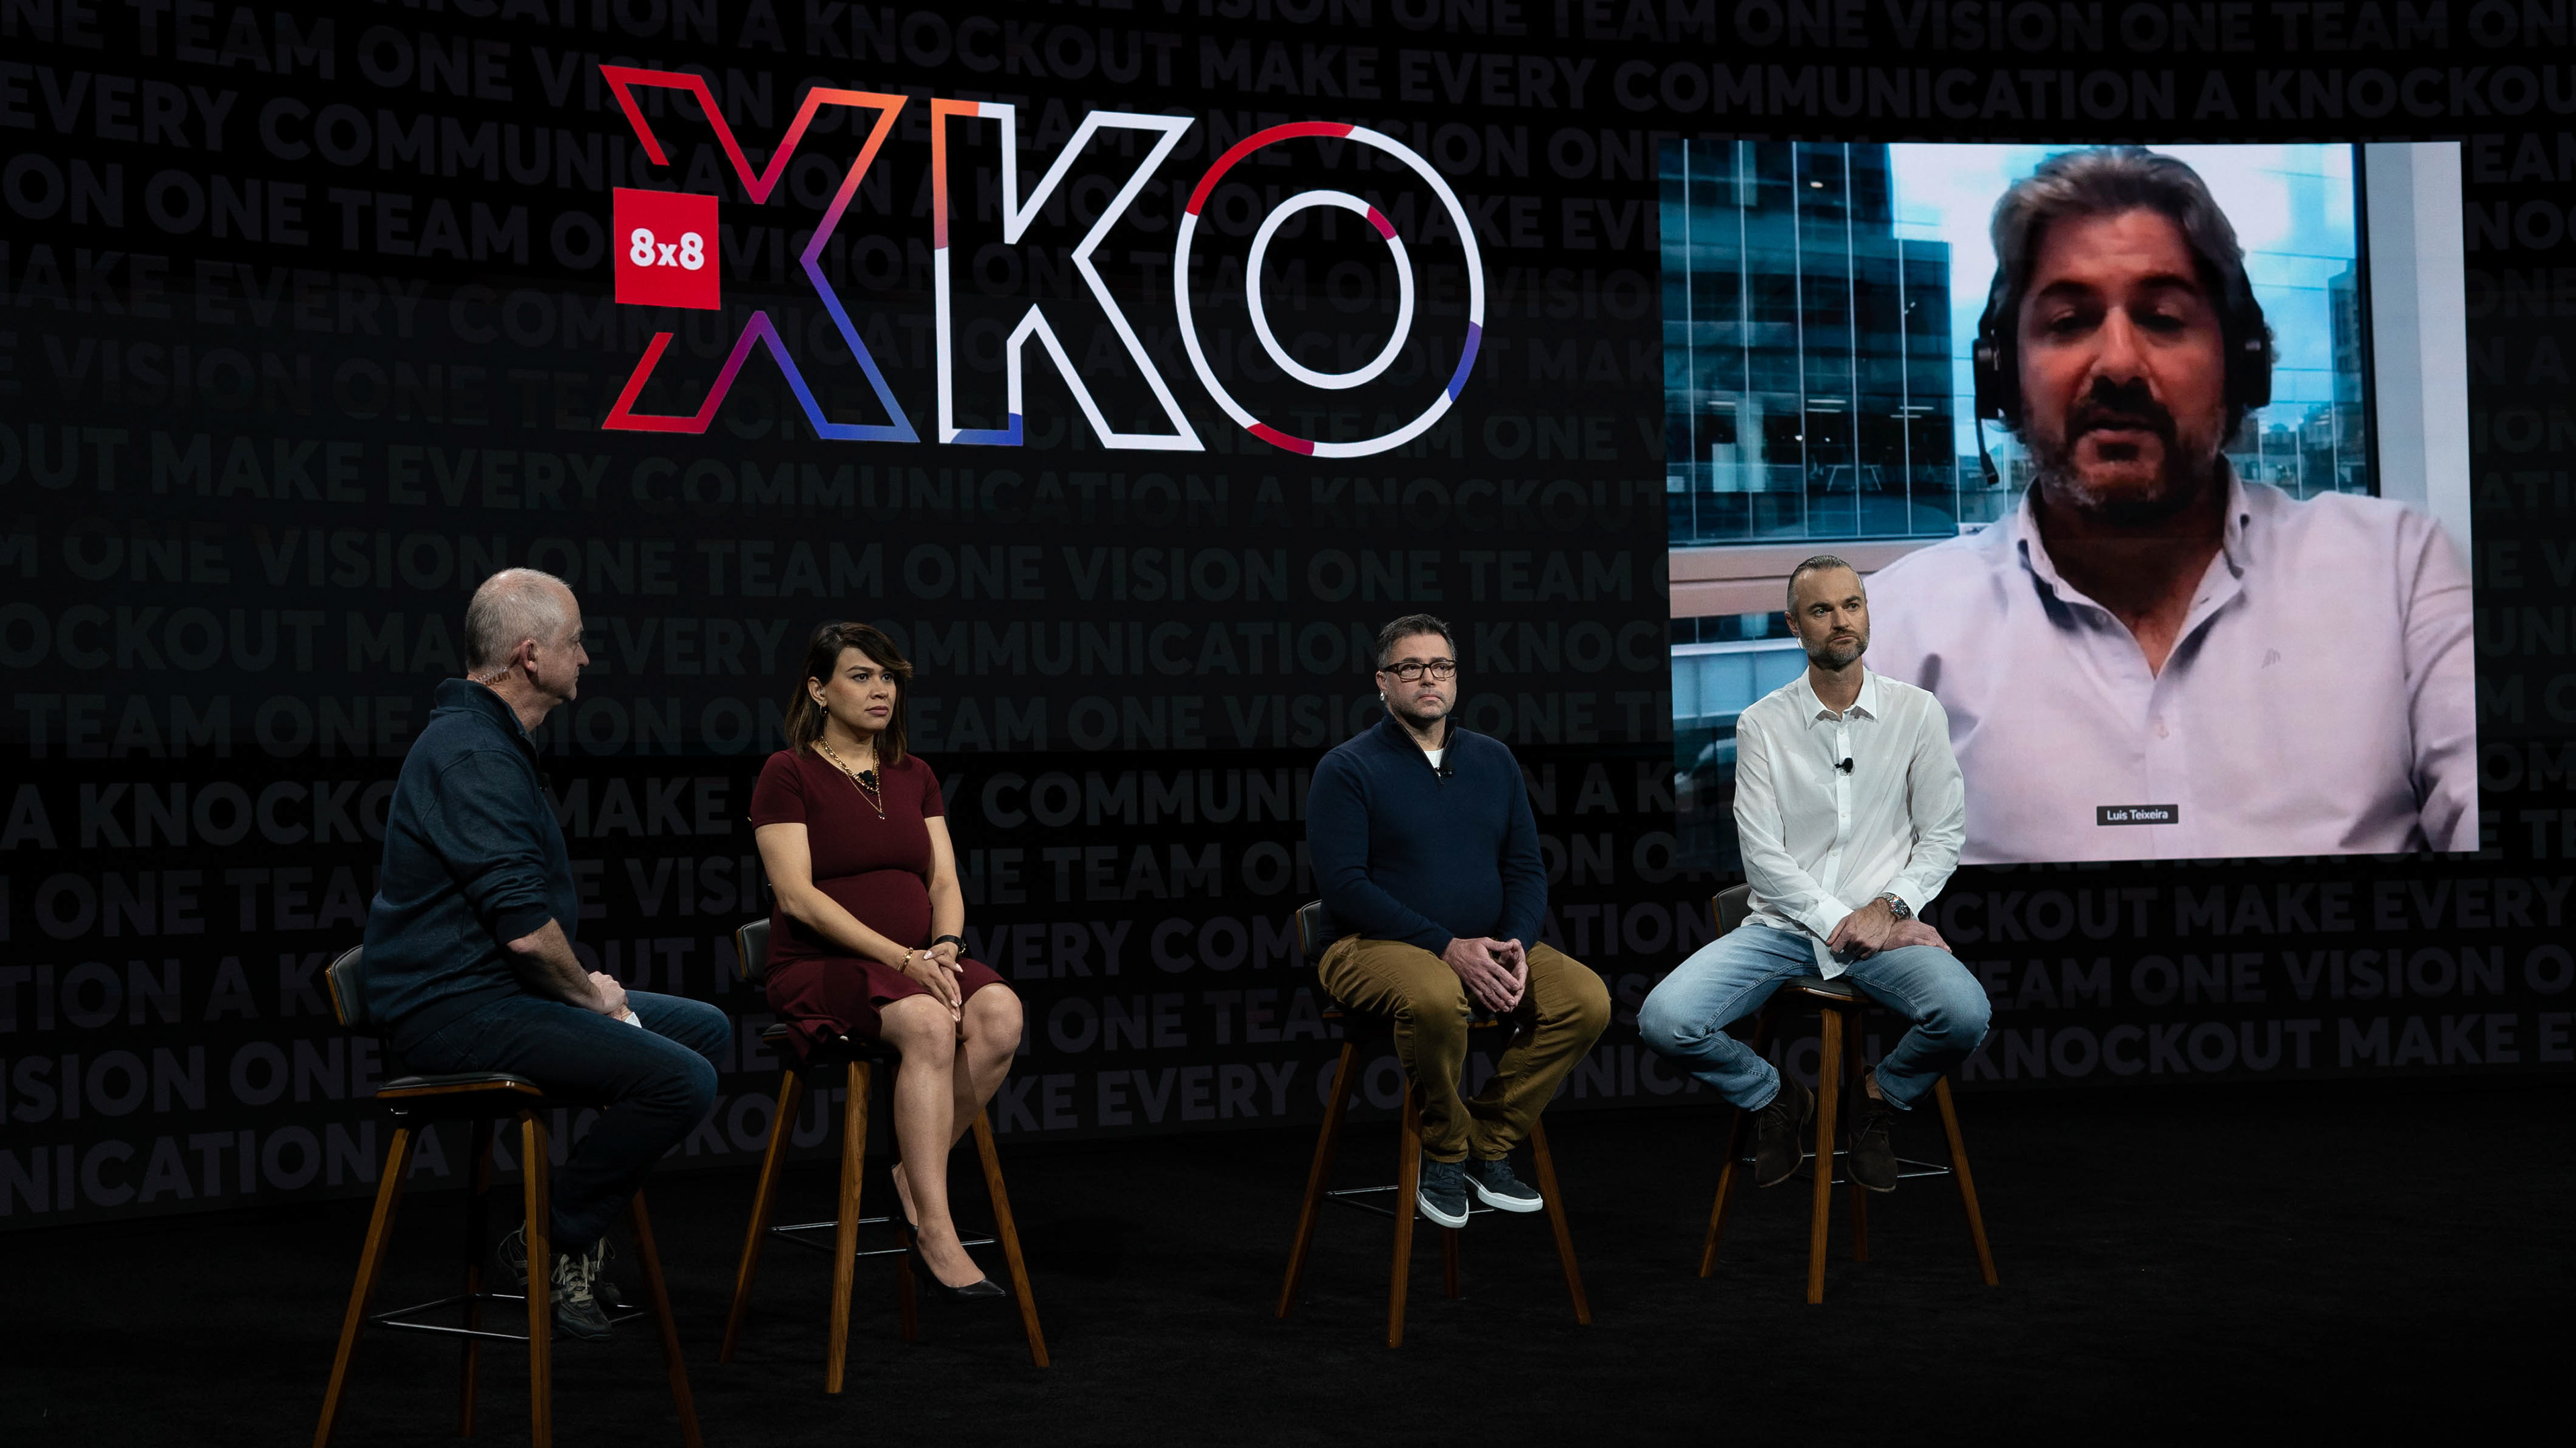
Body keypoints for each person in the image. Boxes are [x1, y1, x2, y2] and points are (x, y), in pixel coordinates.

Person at [1866, 145, 2474, 864]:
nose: (2119, 364)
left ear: (2242, 360)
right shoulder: (1897, 631)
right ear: (2002, 374)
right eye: (2068, 321)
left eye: (2162, 318)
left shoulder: (2395, 570)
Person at [362, 567, 728, 1340]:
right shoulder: (472, 753)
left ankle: (570, 1231)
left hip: (501, 993)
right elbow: (525, 930)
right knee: (681, 1078)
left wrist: (583, 991)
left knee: (706, 1030)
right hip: (454, 1011)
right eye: (576, 642)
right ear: (530, 655)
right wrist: (590, 996)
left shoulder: (492, 741)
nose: (585, 657)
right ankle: (554, 1238)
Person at [1639, 558, 1986, 1193]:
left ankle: (1876, 1097)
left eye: (1852, 604)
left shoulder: (1918, 712)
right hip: (1785, 930)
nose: (1840, 620)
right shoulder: (1761, 724)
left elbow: (1941, 837)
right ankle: (1777, 1096)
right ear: (1794, 626)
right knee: (1665, 1019)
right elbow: (1763, 858)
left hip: (1883, 932)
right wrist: (1843, 921)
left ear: (1867, 613)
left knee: (1965, 1015)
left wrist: (1888, 909)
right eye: (1821, 610)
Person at [1305, 613, 1611, 1229]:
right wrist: (1447, 946)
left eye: (1440, 666)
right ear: (1383, 681)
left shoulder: (1493, 760)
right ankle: (1443, 1152)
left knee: (1585, 1000)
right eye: (1411, 667)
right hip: (1369, 945)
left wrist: (1517, 941)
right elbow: (1344, 887)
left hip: (1483, 941)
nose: (1429, 678)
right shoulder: (1347, 767)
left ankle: (1486, 1142)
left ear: (1455, 677)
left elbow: (1525, 869)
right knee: (1435, 996)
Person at [749, 622, 1022, 1303]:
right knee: (929, 1023)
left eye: (889, 677)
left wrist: (947, 945)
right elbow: (796, 896)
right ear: (819, 689)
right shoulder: (788, 773)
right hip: (819, 964)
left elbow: (943, 881)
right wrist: (903, 956)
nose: (882, 690)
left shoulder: (913, 774)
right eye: (861, 675)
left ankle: (911, 1174)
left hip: (916, 962)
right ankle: (936, 1225)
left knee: (999, 1013)